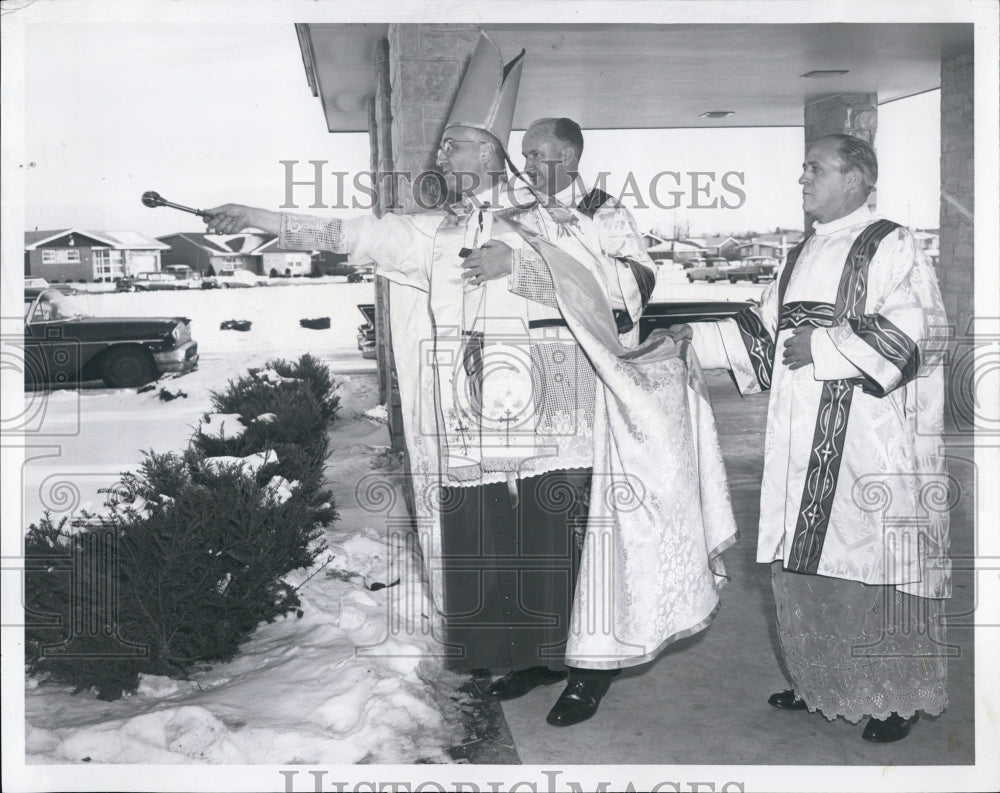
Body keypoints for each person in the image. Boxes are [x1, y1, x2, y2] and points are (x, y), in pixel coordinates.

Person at [203, 32, 737, 729]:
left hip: (558, 414)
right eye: (446, 147)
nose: (441, 159)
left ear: (491, 152)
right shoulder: (439, 232)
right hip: (478, 418)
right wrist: (258, 216)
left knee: (567, 541)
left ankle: (590, 666)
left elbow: (618, 293)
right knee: (502, 543)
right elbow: (353, 232)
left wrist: (519, 267)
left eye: (454, 145)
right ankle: (538, 651)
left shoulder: (563, 217)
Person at [668, 133, 951, 743]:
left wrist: (824, 347)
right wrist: (689, 337)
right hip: (801, 437)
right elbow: (762, 329)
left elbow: (920, 329)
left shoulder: (890, 241)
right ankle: (821, 682)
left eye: (814, 169)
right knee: (807, 560)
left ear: (856, 179)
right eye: (802, 170)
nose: (802, 180)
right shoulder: (802, 252)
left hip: (867, 438)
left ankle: (890, 696)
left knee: (873, 560)